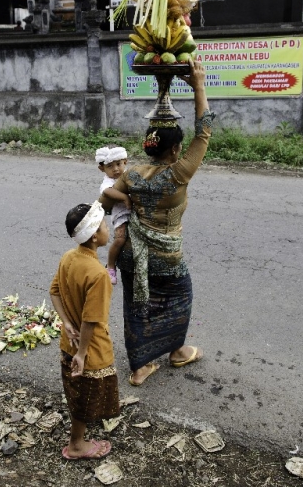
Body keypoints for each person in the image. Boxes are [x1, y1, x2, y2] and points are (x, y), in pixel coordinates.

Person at [100, 59, 214, 386]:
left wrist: (124, 199)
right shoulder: (179, 173)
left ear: (149, 145)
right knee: (179, 297)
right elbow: (204, 130)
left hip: (132, 255)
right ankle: (176, 352)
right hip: (167, 258)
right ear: (176, 148)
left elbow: (103, 201)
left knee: (137, 305)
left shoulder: (132, 174)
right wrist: (199, 86)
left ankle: (139, 368)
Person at [49, 201, 120, 460]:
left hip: (68, 343)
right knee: (86, 397)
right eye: (103, 225)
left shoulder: (69, 257)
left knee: (76, 393)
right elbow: (91, 321)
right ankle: (77, 445)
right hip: (90, 349)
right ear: (93, 236)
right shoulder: (98, 275)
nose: (107, 228)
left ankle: (78, 438)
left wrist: (66, 323)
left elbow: (54, 292)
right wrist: (81, 354)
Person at [95, 146, 132, 285]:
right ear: (102, 169)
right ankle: (110, 266)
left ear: (125, 162)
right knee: (120, 239)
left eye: (118, 164)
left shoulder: (129, 174)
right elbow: (107, 192)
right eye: (110, 166)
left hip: (136, 212)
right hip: (121, 214)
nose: (115, 169)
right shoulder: (108, 181)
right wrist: (125, 198)